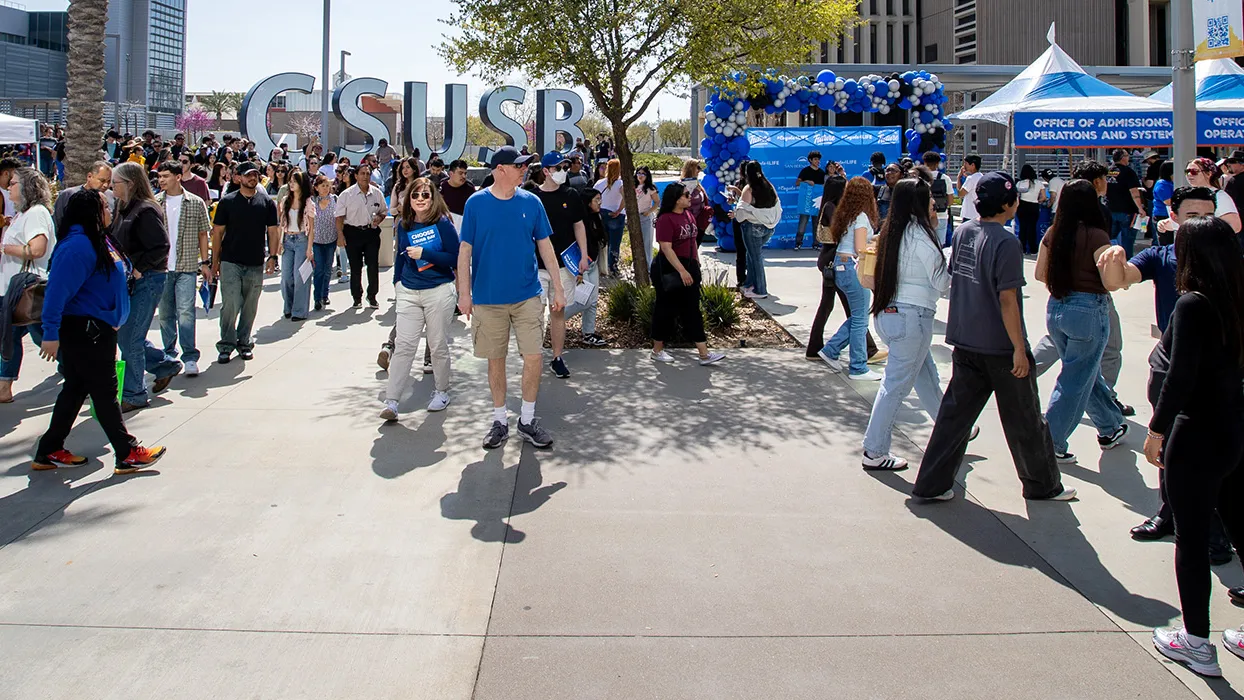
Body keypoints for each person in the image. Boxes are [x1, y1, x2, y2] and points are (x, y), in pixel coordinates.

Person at [911, 172, 1076, 503]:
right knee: (1025, 419)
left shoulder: (962, 232)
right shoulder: (1006, 241)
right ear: (1008, 204)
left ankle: (931, 483)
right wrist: (1018, 348)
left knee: (954, 418)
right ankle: (1042, 485)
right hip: (1000, 345)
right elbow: (1008, 299)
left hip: (965, 340)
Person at [1099, 188, 1227, 551]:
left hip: (1216, 373)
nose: (1200, 225)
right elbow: (1117, 279)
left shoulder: (1230, 260)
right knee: (1168, 448)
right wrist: (1115, 254)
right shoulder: (1162, 256)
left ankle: (1215, 529)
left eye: (1208, 216)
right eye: (1192, 217)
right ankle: (1168, 514)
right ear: (1173, 218)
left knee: (1209, 455)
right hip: (1171, 367)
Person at [1146, 216, 1244, 678]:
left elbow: (1179, 377)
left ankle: (1197, 643)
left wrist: (1156, 429)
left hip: (1196, 432)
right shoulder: (1236, 298)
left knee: (1191, 539)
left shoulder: (1192, 304)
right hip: (1235, 429)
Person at [31, 189, 165, 474]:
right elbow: (56, 293)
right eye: (104, 206)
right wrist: (50, 333)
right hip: (85, 330)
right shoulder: (77, 246)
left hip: (99, 327)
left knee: (76, 389)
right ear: (91, 212)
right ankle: (127, 452)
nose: (110, 210)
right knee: (104, 391)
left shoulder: (99, 239)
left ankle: (49, 449)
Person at [458, 146, 563, 449]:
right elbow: (465, 250)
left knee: (533, 357)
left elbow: (545, 247)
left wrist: (557, 286)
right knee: (496, 361)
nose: (524, 170)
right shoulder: (476, 204)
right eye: (518, 166)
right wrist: (464, 293)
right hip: (488, 300)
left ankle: (527, 421)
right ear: (500, 169)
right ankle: (499, 421)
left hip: (527, 296)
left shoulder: (532, 203)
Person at [859, 178, 951, 470]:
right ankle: (874, 450)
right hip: (913, 318)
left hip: (890, 315)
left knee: (924, 376)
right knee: (896, 386)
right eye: (931, 202)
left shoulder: (889, 233)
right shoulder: (922, 236)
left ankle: (952, 427)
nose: (935, 206)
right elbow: (941, 282)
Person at [1034, 180, 1126, 463]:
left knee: (1083, 373)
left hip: (1056, 308)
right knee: (1076, 378)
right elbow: (1109, 282)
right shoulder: (1098, 235)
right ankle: (1051, 442)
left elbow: (1039, 274)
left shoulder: (1053, 232)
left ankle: (1110, 426)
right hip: (1088, 309)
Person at [381, 178, 460, 422]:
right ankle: (392, 401)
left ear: (433, 197)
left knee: (437, 345)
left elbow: (454, 258)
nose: (420, 199)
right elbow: (401, 257)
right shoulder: (404, 225)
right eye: (416, 195)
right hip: (409, 291)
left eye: (425, 195)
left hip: (438, 291)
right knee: (404, 345)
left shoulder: (443, 223)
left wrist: (426, 253)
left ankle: (441, 392)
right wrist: (397, 283)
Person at [111, 162, 180, 411]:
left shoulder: (145, 209)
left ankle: (134, 393)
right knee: (128, 336)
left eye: (116, 182)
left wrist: (139, 267)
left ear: (130, 183)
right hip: (131, 280)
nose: (112, 187)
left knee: (130, 338)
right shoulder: (123, 208)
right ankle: (164, 365)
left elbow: (161, 246)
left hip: (147, 279)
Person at [649, 182, 726, 366]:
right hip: (669, 268)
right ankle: (657, 350)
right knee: (665, 308)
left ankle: (704, 354)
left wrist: (695, 265)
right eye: (685, 195)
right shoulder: (665, 219)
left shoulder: (689, 215)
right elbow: (666, 248)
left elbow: (692, 242)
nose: (690, 197)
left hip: (689, 265)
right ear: (676, 199)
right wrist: (681, 270)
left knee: (692, 309)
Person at [805, 174, 881, 362]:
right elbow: (857, 244)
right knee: (855, 312)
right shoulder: (837, 210)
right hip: (838, 260)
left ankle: (819, 348)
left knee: (844, 308)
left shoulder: (838, 209)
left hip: (834, 260)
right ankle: (858, 351)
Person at [210, 161, 279, 364]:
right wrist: (215, 262)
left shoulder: (266, 203)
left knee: (250, 305)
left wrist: (273, 256)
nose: (253, 178)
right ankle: (226, 344)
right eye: (248, 175)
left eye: (255, 175)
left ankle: (244, 341)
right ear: (238, 177)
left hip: (255, 261)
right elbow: (218, 232)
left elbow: (273, 231)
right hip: (230, 260)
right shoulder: (227, 202)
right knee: (230, 303)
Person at [528, 151, 588, 379]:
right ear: (545, 171)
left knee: (558, 311)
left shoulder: (571, 195)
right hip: (537, 266)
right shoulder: (532, 197)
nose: (563, 171)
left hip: (564, 265)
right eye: (558, 168)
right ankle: (532, 356)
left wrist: (583, 255)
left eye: (565, 166)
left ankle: (557, 357)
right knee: (534, 312)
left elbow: (579, 225)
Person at [0, 167, 55, 403]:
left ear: (26, 188)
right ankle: (4, 386)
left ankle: (87, 370)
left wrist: (5, 248)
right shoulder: (25, 214)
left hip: (27, 290)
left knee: (41, 336)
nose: (8, 187)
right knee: (10, 336)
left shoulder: (35, 214)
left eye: (12, 183)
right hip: (14, 290)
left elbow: (37, 249)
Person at [154, 162, 211, 378]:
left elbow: (203, 234)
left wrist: (205, 262)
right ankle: (170, 353)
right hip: (162, 267)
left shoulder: (195, 203)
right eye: (159, 176)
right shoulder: (155, 203)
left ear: (178, 177)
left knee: (186, 312)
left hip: (187, 266)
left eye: (166, 176)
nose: (161, 180)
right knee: (166, 314)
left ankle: (189, 357)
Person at [335, 161, 386, 308]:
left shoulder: (376, 193)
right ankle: (357, 297)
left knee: (372, 265)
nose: (365, 176)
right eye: (362, 173)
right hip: (352, 232)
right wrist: (340, 235)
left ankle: (372, 295)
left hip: (371, 232)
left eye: (368, 174)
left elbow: (383, 210)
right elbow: (339, 217)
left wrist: (379, 218)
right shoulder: (347, 195)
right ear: (356, 176)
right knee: (355, 267)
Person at [563, 187, 608, 347]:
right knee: (584, 300)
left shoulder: (596, 217)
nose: (600, 202)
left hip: (593, 263)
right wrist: (578, 270)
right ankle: (558, 320)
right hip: (581, 266)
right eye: (596, 199)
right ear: (587, 202)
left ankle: (588, 333)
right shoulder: (579, 221)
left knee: (593, 300)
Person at [733, 161, 782, 300]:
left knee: (756, 258)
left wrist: (738, 214)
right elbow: (777, 205)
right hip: (769, 228)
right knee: (752, 255)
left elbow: (741, 213)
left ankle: (761, 289)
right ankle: (750, 283)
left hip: (753, 228)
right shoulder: (769, 186)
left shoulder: (749, 189)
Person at [279, 170, 315, 321]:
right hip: (288, 239)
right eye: (290, 181)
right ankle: (288, 306)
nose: (291, 184)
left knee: (300, 276)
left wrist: (309, 248)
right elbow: (281, 224)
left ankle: (299, 311)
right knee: (286, 276)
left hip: (302, 239)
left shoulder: (308, 203)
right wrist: (280, 243)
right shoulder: (285, 200)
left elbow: (312, 228)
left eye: (295, 181)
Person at [1176, 157, 1242, 237]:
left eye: (1194, 171)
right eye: (1187, 171)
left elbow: (1234, 226)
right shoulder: (1187, 195)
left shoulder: (1220, 196)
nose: (1189, 174)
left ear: (1209, 173)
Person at [1105, 149, 1145, 256]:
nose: (1128, 158)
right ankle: (1127, 264)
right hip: (1127, 211)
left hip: (1111, 209)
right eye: (1127, 156)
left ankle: (1111, 260)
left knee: (1110, 239)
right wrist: (1140, 208)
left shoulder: (1107, 172)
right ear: (1122, 158)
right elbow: (1134, 192)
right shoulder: (1129, 172)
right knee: (1127, 240)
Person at [53, 162, 113, 234]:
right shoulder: (69, 195)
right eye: (102, 180)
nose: (106, 185)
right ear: (89, 176)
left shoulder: (112, 197)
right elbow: (57, 223)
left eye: (108, 181)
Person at [594, 159, 627, 277]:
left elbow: (593, 197)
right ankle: (613, 268)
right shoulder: (621, 183)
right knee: (614, 243)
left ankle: (600, 267)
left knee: (602, 242)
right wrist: (619, 210)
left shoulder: (599, 183)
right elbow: (626, 198)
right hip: (616, 216)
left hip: (602, 213)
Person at [310, 175, 338, 312]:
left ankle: (325, 294)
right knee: (318, 269)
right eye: (323, 186)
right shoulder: (312, 201)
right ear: (316, 188)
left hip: (331, 239)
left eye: (327, 185)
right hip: (317, 241)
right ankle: (317, 298)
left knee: (328, 269)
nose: (326, 188)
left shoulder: (335, 199)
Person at [795, 150, 826, 249]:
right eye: (815, 159)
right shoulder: (805, 171)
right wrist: (807, 181)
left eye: (818, 159)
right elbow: (797, 183)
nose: (818, 161)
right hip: (806, 202)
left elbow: (824, 186)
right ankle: (798, 243)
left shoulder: (822, 172)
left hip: (817, 202)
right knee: (802, 223)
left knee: (816, 223)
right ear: (810, 160)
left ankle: (816, 243)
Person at [923, 152, 954, 244]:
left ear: (924, 163)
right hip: (941, 215)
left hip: (924, 216)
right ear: (937, 164)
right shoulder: (945, 178)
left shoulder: (920, 177)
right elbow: (951, 200)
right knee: (940, 245)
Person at [1015, 164, 1047, 254]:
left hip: (1023, 206)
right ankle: (1033, 249)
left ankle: (1022, 248)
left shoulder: (1020, 183)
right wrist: (1038, 201)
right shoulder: (1039, 183)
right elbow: (1043, 197)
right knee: (1032, 228)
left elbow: (1017, 197)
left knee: (1023, 228)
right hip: (1034, 206)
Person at [634, 166, 659, 267]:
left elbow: (657, 202)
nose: (640, 176)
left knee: (647, 243)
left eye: (643, 174)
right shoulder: (633, 186)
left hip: (646, 217)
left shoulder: (650, 188)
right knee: (636, 242)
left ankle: (648, 266)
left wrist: (649, 212)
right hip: (635, 217)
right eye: (638, 173)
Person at [440, 159, 476, 229]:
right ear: (451, 174)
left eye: (465, 173)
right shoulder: (442, 186)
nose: (464, 176)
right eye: (460, 173)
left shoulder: (470, 188)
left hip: (464, 226)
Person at [1152, 161, 1176, 245]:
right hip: (1162, 215)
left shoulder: (1170, 183)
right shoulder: (1162, 184)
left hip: (1171, 214)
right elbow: (1168, 202)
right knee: (1166, 241)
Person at [956, 155, 983, 225]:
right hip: (978, 214)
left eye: (966, 163)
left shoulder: (971, 178)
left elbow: (960, 193)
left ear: (973, 165)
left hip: (969, 215)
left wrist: (959, 177)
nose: (964, 166)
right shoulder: (981, 176)